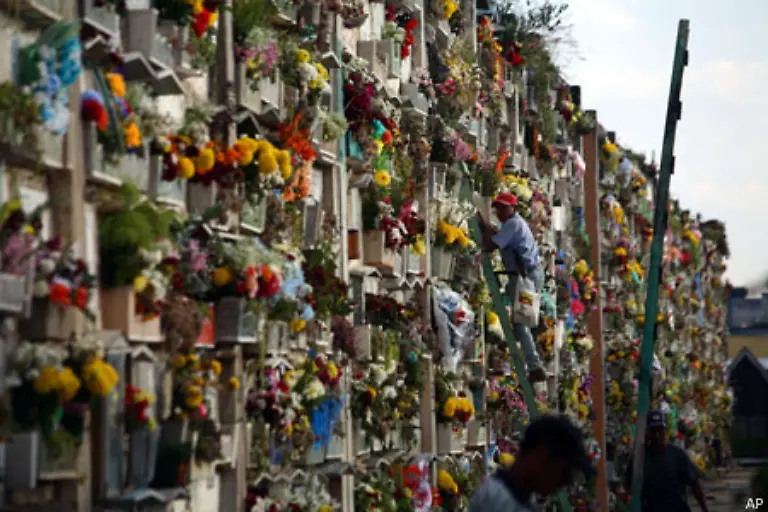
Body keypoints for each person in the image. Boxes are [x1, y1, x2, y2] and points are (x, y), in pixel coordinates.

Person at [479, 191, 547, 383]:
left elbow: (490, 245)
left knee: (520, 321)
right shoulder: (512, 224)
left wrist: (486, 231)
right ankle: (533, 350)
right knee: (520, 319)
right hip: (527, 275)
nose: (499, 211)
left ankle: (534, 366)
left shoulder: (513, 224)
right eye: (497, 208)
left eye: (503, 207)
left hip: (526, 277)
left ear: (513, 208)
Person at [469, 414, 595, 511]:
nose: (566, 482)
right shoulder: (497, 500)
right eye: (565, 472)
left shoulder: (513, 499)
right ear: (541, 455)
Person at [624, 410, 710, 512]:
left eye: (660, 430)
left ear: (665, 430)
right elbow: (628, 487)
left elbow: (695, 484)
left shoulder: (677, 455)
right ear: (647, 432)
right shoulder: (639, 458)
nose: (657, 435)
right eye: (653, 430)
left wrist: (704, 509)